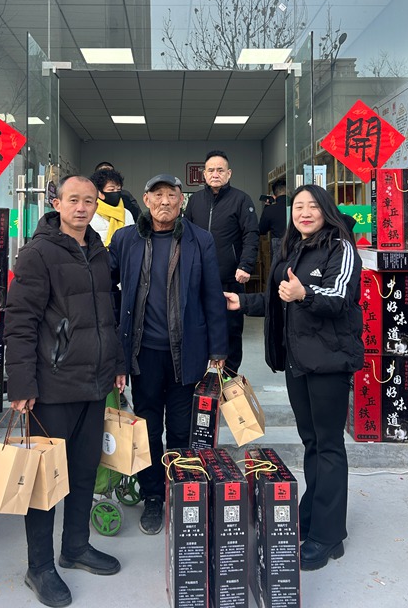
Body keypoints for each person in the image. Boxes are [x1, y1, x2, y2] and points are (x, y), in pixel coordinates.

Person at [224, 184, 363, 572]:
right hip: (298, 361)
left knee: (329, 444)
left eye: (312, 206)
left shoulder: (340, 246)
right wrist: (243, 302)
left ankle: (329, 535)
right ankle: (313, 515)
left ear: (325, 210)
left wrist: (305, 294)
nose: (304, 212)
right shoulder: (292, 248)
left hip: (329, 362)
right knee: (311, 441)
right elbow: (278, 298)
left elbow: (339, 297)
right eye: (298, 206)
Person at [4, 175, 126, 608]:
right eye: (73, 200)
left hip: (94, 384)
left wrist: (117, 363)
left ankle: (75, 547)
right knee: (45, 480)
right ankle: (38, 567)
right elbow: (20, 319)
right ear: (56, 203)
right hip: (52, 388)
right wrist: (21, 383)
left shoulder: (98, 250)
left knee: (84, 472)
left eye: (89, 201)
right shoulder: (38, 253)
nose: (81, 208)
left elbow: (108, 314)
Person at [109, 173, 228, 536]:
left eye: (172, 195)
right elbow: (105, 288)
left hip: (186, 351)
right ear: (146, 200)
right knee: (147, 428)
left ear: (181, 201)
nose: (165, 201)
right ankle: (153, 497)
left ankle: (179, 491)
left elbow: (212, 295)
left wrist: (218, 349)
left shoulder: (200, 239)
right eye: (157, 194)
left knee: (180, 428)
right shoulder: (125, 239)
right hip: (143, 352)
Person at [184, 150, 259, 373]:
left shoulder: (241, 200)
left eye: (220, 170)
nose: (215, 174)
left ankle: (229, 378)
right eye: (211, 170)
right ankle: (200, 378)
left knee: (230, 331)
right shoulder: (195, 200)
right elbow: (185, 234)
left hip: (229, 278)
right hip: (197, 278)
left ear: (229, 173)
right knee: (197, 327)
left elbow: (251, 234)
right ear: (204, 174)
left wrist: (245, 265)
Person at [89, 168, 135, 246]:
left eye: (118, 189)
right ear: (99, 193)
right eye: (111, 189)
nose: (116, 192)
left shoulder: (127, 213)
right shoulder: (91, 213)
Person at [259, 177, 288, 261]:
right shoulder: (296, 207)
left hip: (278, 252)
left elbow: (262, 230)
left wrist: (267, 206)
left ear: (274, 196)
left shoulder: (269, 210)